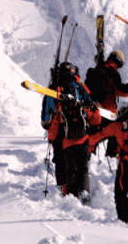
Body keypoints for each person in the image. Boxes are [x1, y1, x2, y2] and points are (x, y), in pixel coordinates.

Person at [41, 62, 102, 204]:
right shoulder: (81, 87)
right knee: (82, 165)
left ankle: (65, 191)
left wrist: (49, 129)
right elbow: (90, 105)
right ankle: (83, 190)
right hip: (82, 133)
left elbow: (46, 116)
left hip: (61, 132)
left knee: (62, 163)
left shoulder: (54, 89)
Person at [84, 50, 128, 115]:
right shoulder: (113, 73)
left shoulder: (97, 69)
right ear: (119, 62)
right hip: (107, 112)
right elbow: (123, 91)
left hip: (90, 108)